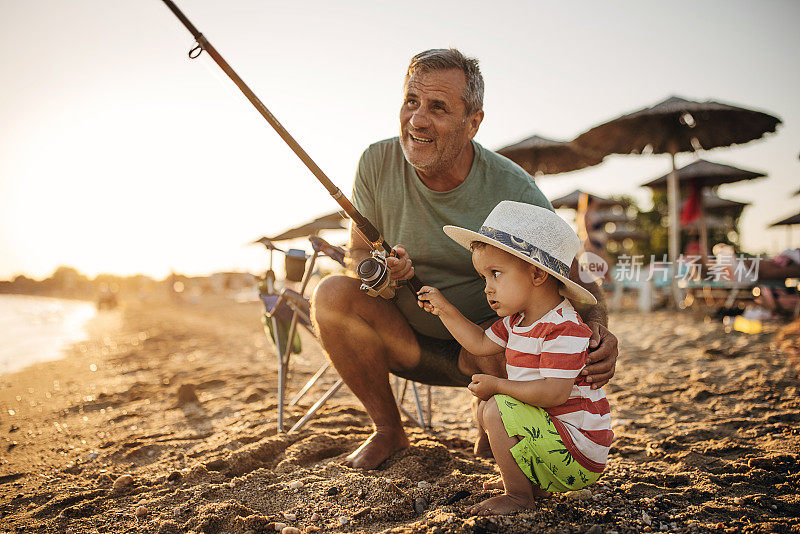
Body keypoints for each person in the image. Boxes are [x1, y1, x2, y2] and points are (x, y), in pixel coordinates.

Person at [311, 48, 618, 470]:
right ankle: (388, 429)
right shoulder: (375, 161)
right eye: (411, 101)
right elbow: (358, 254)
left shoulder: (513, 186)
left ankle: (490, 429)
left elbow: (575, 273)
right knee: (330, 294)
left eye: (437, 107)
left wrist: (599, 328)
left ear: (473, 123)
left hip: (490, 352)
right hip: (403, 339)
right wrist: (381, 274)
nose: (417, 119)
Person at [417, 201, 612, 515]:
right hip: (555, 441)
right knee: (490, 410)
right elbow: (479, 343)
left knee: (495, 409)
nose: (487, 288)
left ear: (536, 274)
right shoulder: (517, 322)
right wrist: (445, 310)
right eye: (484, 278)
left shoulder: (563, 328)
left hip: (578, 453)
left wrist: (496, 384)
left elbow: (553, 393)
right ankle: (527, 480)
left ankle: (519, 496)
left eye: (495, 274)